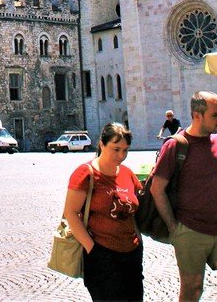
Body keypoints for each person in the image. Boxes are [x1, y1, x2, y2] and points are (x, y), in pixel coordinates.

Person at [149, 91, 217, 302]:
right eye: (215, 115)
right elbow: (156, 189)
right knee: (192, 291)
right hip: (189, 230)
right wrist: (173, 227)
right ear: (197, 115)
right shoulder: (175, 146)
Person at [63, 123, 143, 302]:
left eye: (125, 150)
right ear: (102, 144)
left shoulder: (127, 173)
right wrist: (92, 249)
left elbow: (138, 203)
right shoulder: (86, 173)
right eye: (116, 149)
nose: (121, 155)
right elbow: (71, 212)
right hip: (102, 256)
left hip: (131, 254)